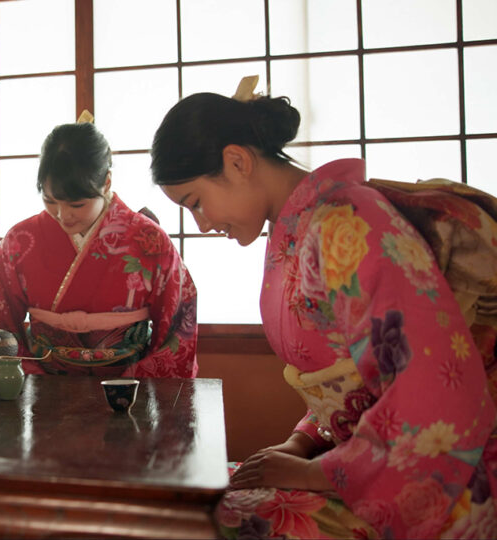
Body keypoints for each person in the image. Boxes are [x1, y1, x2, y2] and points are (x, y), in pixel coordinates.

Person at [150, 76, 497, 538]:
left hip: (442, 480)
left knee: (204, 523)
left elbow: (431, 387)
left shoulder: (346, 224)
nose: (202, 223)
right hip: (367, 461)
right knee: (194, 504)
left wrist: (317, 472)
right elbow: (351, 376)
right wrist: (302, 443)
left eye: (196, 202)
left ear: (237, 161)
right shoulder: (301, 229)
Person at [0, 113, 198, 378]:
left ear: (106, 182)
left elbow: (177, 325)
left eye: (77, 204)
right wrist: (30, 380)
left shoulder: (150, 240)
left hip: (131, 387)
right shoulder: (19, 241)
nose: (63, 216)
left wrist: (137, 384)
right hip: (41, 385)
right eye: (50, 201)